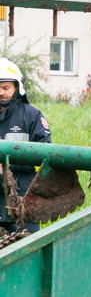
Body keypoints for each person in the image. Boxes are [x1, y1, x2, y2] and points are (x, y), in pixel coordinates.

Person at [0, 58, 51, 234]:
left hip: (23, 198)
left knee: (28, 247)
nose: (1, 92)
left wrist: (8, 167)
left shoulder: (32, 116)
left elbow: (46, 150)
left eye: (5, 87)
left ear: (16, 88)